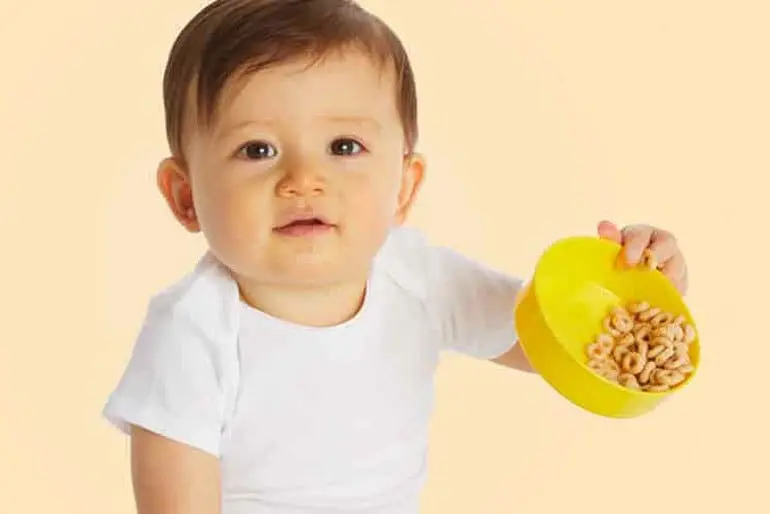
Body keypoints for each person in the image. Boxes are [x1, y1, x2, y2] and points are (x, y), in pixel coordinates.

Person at [102, 1, 690, 513]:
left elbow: (550, 345)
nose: (304, 178)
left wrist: (636, 289)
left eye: (344, 146)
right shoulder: (191, 332)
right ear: (186, 197)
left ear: (404, 187)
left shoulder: (418, 277)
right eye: (257, 149)